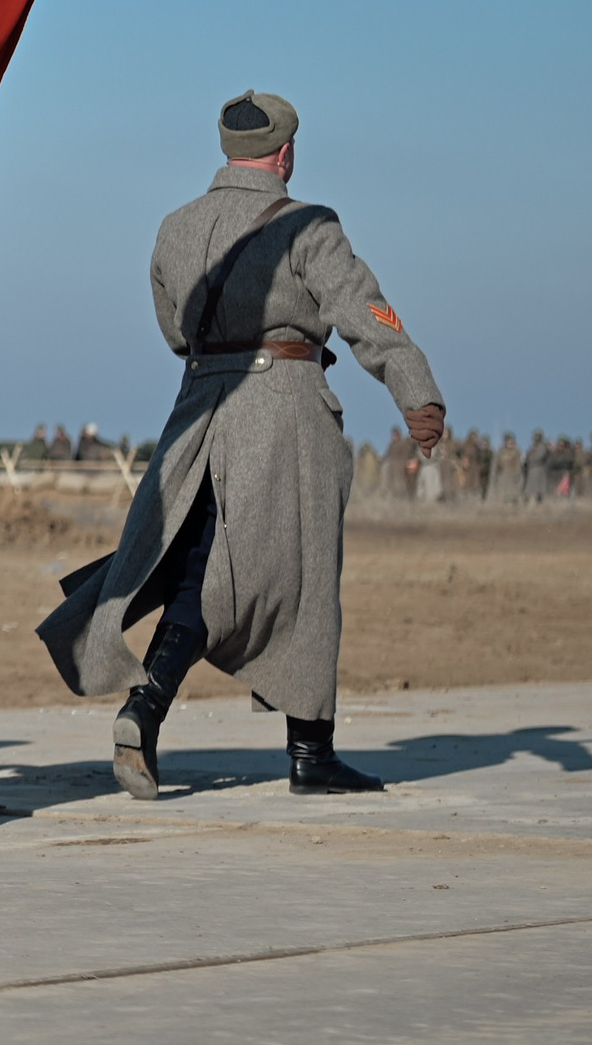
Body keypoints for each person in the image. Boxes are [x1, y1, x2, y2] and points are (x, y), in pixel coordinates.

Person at [39, 90, 444, 800]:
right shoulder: (309, 226)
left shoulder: (174, 227)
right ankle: (296, 747)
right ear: (285, 154)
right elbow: (364, 312)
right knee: (294, 577)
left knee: (202, 566)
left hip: (198, 410)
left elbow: (173, 331)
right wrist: (417, 391)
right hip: (284, 414)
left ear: (228, 150)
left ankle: (159, 709)